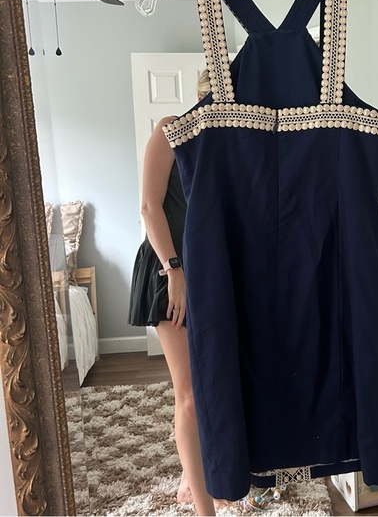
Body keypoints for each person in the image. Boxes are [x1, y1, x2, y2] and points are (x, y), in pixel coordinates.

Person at [128, 70, 216, 515]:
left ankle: (193, 470)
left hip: (211, 275)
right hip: (169, 273)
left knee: (213, 385)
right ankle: (204, 508)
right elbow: (149, 207)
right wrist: (174, 270)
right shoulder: (169, 130)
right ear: (199, 99)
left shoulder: (228, 147)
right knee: (191, 395)